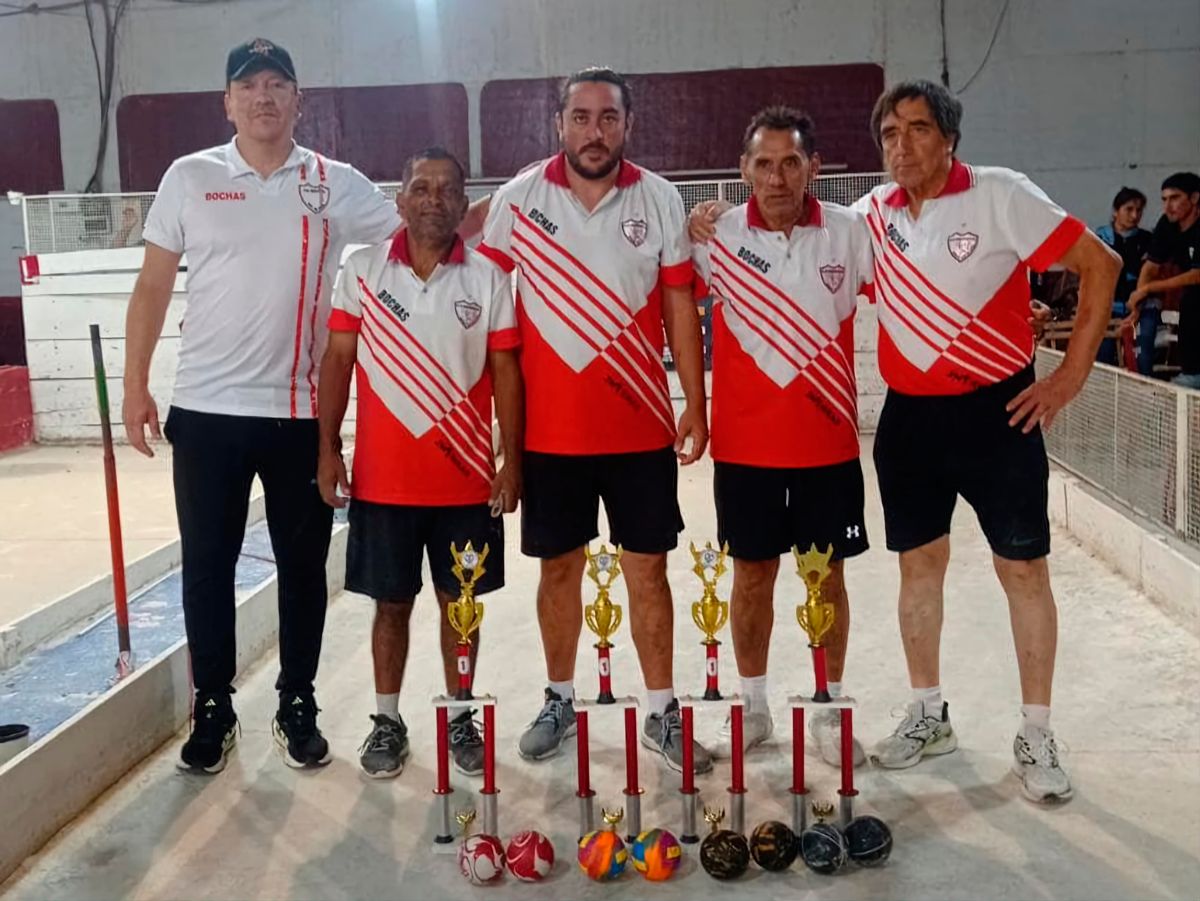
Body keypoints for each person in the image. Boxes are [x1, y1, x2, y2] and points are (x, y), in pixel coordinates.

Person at [123, 38, 401, 774]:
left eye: (278, 84)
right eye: (249, 86)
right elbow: (152, 286)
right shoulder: (190, 177)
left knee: (302, 569)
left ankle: (296, 702)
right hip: (205, 412)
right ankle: (213, 706)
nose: (264, 97)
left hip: (299, 414)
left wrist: (507, 214)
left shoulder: (335, 183)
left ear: (298, 100)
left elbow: (422, 235)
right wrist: (134, 384)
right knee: (206, 568)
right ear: (228, 103)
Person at [859, 80, 1119, 804]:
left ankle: (1036, 732)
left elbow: (1101, 264)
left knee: (1023, 570)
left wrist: (1067, 378)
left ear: (949, 139)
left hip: (998, 417)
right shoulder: (871, 215)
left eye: (917, 129)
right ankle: (928, 714)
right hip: (909, 422)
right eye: (889, 134)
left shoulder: (1001, 194)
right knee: (918, 567)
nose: (902, 146)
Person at [477, 67, 712, 773]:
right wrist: (496, 427)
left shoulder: (660, 198)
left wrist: (695, 401)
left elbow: (679, 306)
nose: (594, 131)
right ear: (559, 124)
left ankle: (663, 710)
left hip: (640, 430)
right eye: (580, 117)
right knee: (559, 572)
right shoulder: (518, 200)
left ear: (628, 125)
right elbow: (484, 309)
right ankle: (558, 699)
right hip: (550, 437)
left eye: (608, 118)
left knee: (649, 572)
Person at [316, 147, 523, 779]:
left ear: (464, 204)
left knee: (461, 605)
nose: (434, 198)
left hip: (465, 484)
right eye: (421, 187)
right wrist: (327, 448)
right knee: (391, 606)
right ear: (399, 200)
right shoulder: (362, 269)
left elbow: (506, 373)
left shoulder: (489, 279)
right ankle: (387, 720)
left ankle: (460, 712)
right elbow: (338, 361)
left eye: (448, 189)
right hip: (385, 484)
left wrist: (512, 460)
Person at [689, 106, 872, 767]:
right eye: (763, 164)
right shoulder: (713, 238)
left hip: (828, 447)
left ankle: (828, 705)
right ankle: (755, 707)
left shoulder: (850, 233)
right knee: (751, 578)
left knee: (827, 581)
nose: (776, 177)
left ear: (813, 167)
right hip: (746, 452)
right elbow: (658, 295)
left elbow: (912, 292)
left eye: (790, 162)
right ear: (743, 170)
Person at [1127, 172, 1200, 388]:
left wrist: (1150, 287)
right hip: (1193, 293)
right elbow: (1151, 266)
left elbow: (1197, 274)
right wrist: (1137, 303)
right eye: (1164, 199)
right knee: (1190, 303)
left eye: (1175, 198)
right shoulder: (1167, 224)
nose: (1168, 206)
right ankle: (1192, 374)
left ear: (1194, 198)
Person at [1095, 187, 1154, 372]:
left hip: (1141, 310)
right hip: (1106, 310)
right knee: (1102, 357)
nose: (1134, 215)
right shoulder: (1099, 239)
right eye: (1129, 209)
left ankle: (1142, 387)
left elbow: (1151, 276)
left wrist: (1137, 309)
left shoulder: (1148, 240)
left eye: (1139, 210)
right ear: (1115, 211)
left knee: (1140, 355)